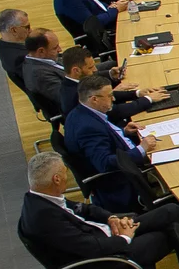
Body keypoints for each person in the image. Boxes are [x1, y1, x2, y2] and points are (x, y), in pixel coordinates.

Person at [20, 151, 179, 269]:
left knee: (171, 211)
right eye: (65, 171)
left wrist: (111, 218)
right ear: (56, 179)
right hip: (105, 259)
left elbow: (85, 209)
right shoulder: (44, 219)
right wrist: (124, 237)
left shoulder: (43, 198)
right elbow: (90, 248)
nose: (67, 175)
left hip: (106, 235)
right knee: (173, 233)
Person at [62, 75, 157, 211]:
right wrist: (141, 149)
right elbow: (105, 163)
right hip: (120, 183)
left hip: (123, 155)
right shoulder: (88, 128)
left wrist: (123, 132)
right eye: (110, 95)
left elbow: (103, 139)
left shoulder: (79, 112)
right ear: (94, 99)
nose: (113, 99)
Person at [0, 8, 30, 91]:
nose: (30, 30)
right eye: (27, 27)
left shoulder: (7, 48)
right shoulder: (18, 58)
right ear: (14, 30)